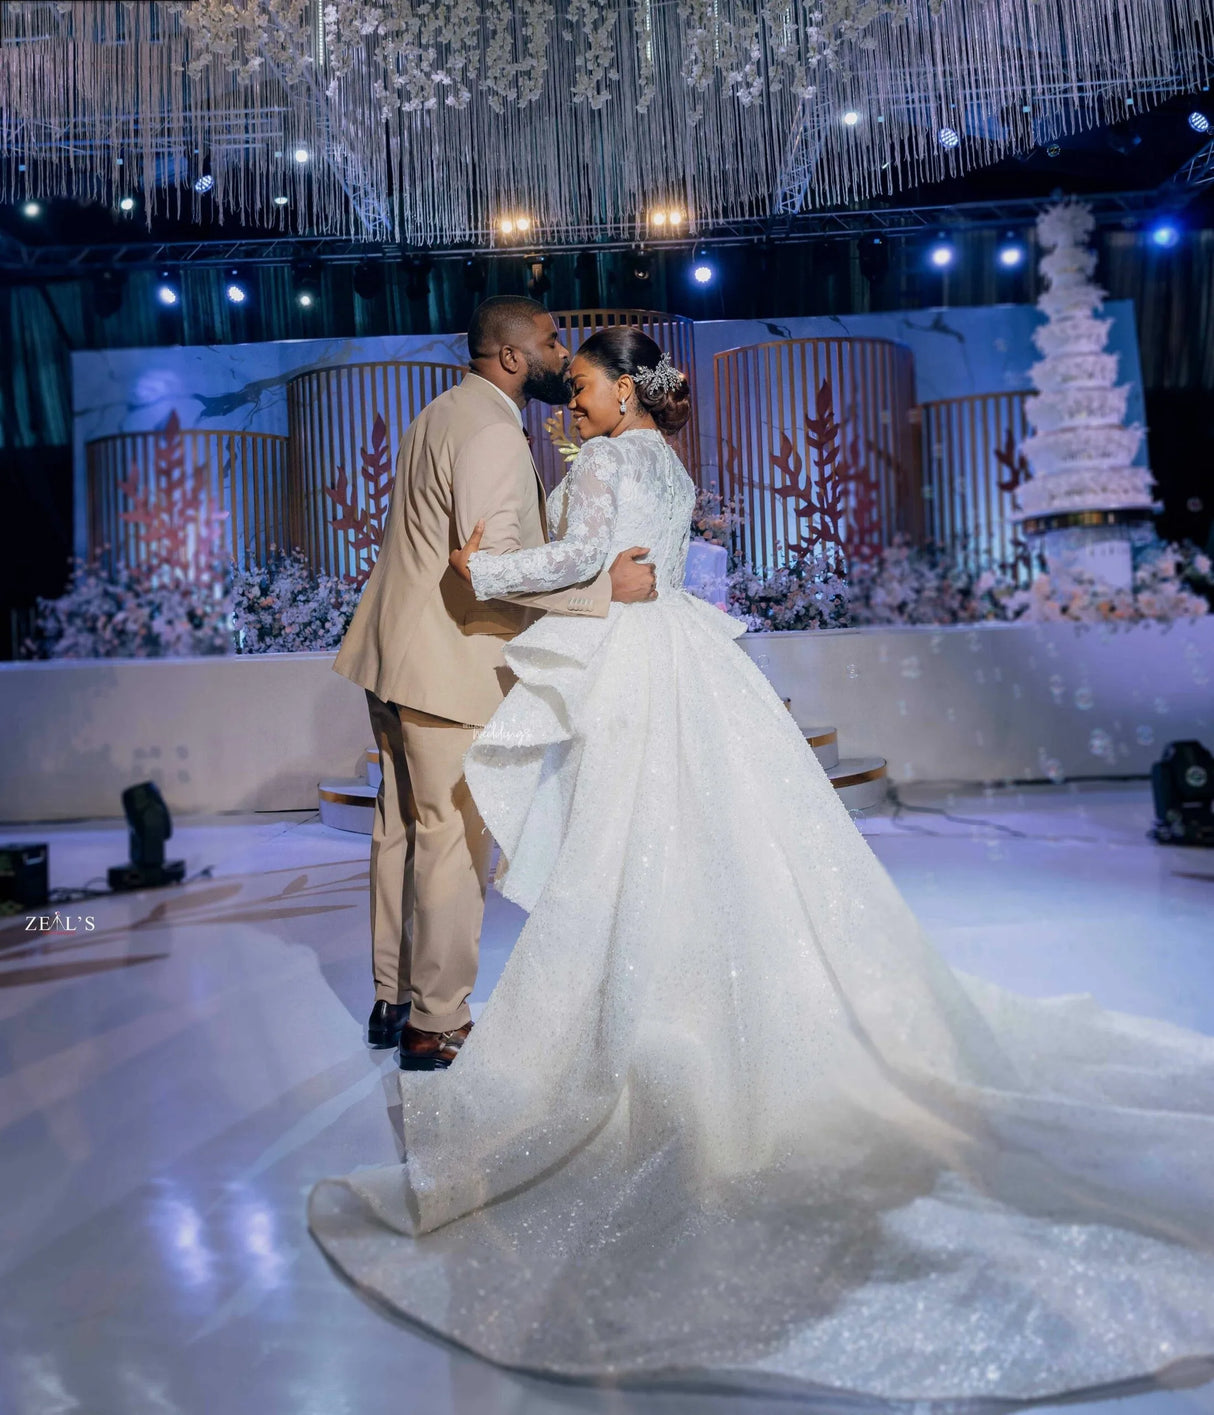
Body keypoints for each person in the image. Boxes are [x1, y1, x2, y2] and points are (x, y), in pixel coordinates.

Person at [312, 328, 1214, 1401]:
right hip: (685, 654)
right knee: (696, 835)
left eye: (584, 383)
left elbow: (575, 561)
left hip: (634, 665)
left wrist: (483, 568)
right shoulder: (667, 459)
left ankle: (649, 1014)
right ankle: (708, 994)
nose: (572, 399)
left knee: (625, 840)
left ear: (623, 389)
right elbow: (633, 560)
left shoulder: (604, 461)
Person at [332, 298, 657, 1069]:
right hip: (449, 661)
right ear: (512, 357)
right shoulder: (493, 432)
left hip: (392, 654)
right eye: (550, 341)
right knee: (449, 840)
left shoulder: (438, 412)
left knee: (403, 831)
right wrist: (601, 590)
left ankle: (394, 996)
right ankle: (436, 1021)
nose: (562, 352)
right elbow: (493, 569)